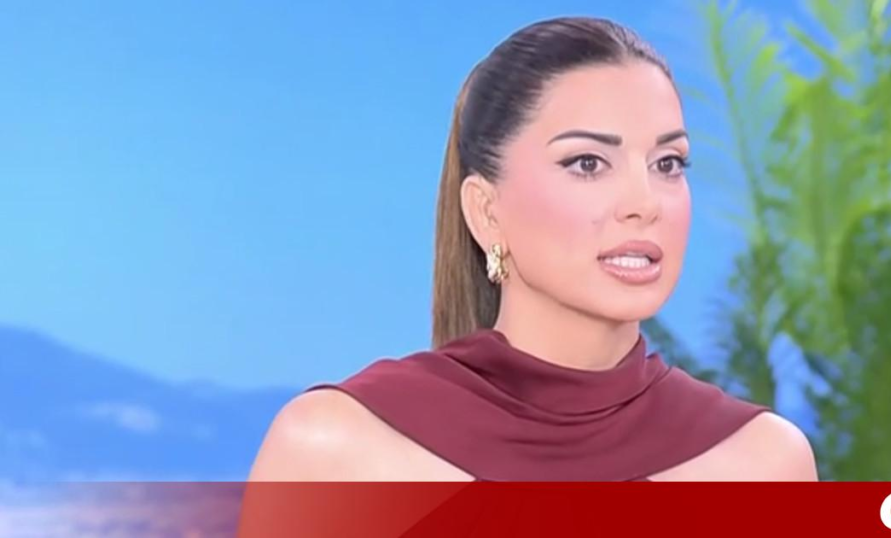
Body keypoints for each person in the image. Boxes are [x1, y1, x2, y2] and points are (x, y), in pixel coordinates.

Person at [246, 16, 817, 482]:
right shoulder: (336, 449)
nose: (645, 203)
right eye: (587, 163)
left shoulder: (763, 463)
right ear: (485, 210)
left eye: (668, 163)